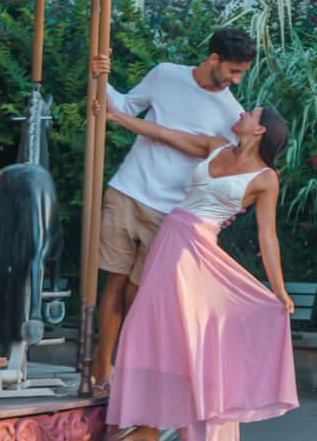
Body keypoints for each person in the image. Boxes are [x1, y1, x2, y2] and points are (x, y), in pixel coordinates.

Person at [99, 100, 298, 441]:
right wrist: (117, 117)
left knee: (168, 334)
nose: (242, 114)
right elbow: (163, 133)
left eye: (250, 113)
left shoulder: (266, 179)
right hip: (170, 239)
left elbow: (268, 237)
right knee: (146, 330)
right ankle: (146, 422)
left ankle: (151, 423)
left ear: (261, 129)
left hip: (199, 251)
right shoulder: (215, 146)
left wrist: (279, 290)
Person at [88, 28, 254, 390]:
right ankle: (102, 372)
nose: (236, 80)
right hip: (127, 190)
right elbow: (124, 106)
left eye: (241, 73)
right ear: (213, 59)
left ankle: (130, 372)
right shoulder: (165, 74)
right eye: (233, 71)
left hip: (170, 211)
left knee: (140, 295)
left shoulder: (233, 114)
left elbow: (206, 158)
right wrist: (99, 73)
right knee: (113, 281)